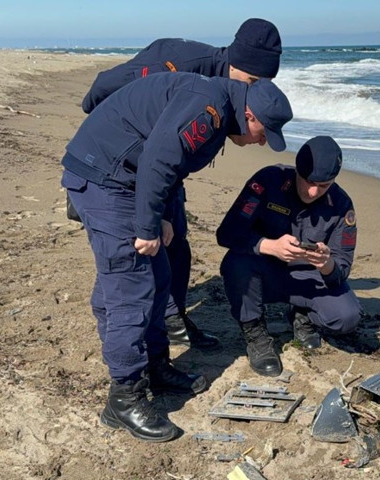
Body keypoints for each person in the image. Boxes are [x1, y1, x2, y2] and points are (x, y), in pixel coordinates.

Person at [61, 72, 292, 442]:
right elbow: (158, 159)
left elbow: (171, 166)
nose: (259, 143)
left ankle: (155, 367)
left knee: (159, 277)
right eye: (263, 134)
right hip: (105, 177)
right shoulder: (209, 109)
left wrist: (165, 214)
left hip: (128, 178)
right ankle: (124, 397)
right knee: (130, 288)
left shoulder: (218, 104)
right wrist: (147, 226)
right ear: (250, 116)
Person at [77, 18, 283, 349]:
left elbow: (173, 156)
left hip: (166, 161)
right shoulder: (178, 64)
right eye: (251, 80)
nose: (253, 91)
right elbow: (106, 86)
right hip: (120, 163)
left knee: (176, 238)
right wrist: (103, 153)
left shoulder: (230, 91)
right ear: (235, 62)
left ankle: (173, 317)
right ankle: (163, 320)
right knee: (133, 247)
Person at [216, 136, 362, 377]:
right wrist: (268, 246)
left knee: (347, 317)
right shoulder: (267, 181)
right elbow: (227, 234)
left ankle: (303, 316)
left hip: (307, 278)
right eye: (308, 181)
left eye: (323, 185)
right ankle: (255, 334)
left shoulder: (341, 205)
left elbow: (342, 269)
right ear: (297, 170)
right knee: (236, 263)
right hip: (264, 272)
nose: (313, 191)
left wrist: (327, 264)